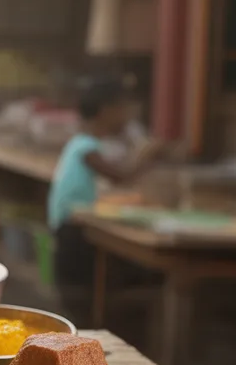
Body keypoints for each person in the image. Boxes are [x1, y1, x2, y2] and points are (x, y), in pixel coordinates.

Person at [49, 76, 166, 323]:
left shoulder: (84, 143)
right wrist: (145, 155)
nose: (127, 117)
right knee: (80, 302)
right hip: (72, 232)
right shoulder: (85, 147)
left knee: (83, 300)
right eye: (123, 110)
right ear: (106, 111)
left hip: (74, 230)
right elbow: (120, 177)